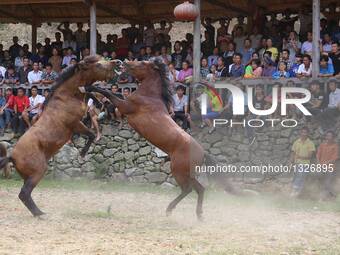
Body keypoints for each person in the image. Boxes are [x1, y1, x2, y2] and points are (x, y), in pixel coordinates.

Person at [290, 127, 316, 197]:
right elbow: (293, 152)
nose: (304, 134)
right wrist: (292, 162)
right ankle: (296, 192)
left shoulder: (310, 143)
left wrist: (300, 157)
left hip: (305, 164)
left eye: (305, 132)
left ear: (308, 134)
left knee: (301, 177)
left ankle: (296, 192)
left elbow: (310, 156)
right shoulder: (296, 142)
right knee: (296, 177)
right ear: (300, 133)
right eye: (302, 132)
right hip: (297, 163)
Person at [316, 130, 339, 200]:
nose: (328, 137)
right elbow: (318, 155)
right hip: (321, 166)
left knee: (327, 181)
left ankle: (324, 197)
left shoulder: (335, 146)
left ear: (333, 138)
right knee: (317, 177)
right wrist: (319, 163)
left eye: (330, 136)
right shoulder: (322, 145)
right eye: (327, 136)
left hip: (330, 167)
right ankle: (329, 195)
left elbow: (335, 158)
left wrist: (326, 163)